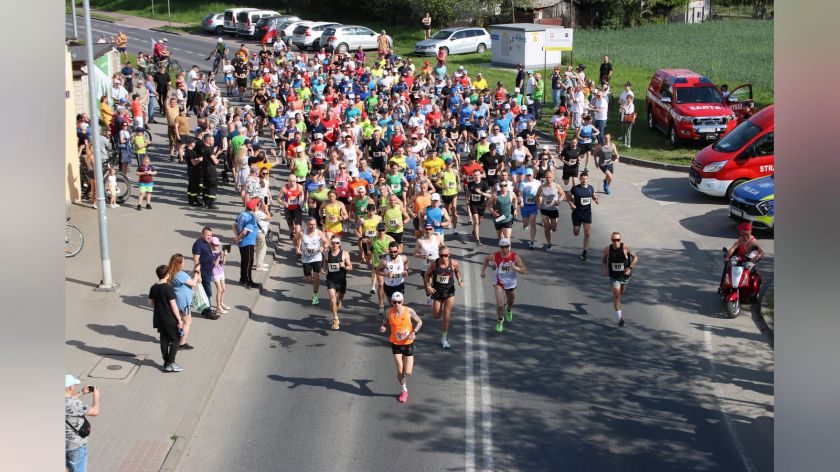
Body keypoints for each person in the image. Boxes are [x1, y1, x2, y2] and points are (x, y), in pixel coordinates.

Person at [379, 291, 423, 403]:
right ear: (391, 302)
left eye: (399, 302)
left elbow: (419, 322)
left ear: (402, 301)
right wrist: (383, 327)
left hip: (408, 343)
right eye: (394, 302)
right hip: (395, 343)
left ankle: (408, 360)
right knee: (399, 368)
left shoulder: (409, 311)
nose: (397, 304)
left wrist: (414, 332)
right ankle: (404, 390)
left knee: (408, 372)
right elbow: (385, 321)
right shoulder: (388, 312)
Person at [481, 238, 527, 333]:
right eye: (502, 247)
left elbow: (524, 270)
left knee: (511, 301)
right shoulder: (495, 255)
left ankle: (509, 309)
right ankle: (500, 319)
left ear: (509, 246)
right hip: (499, 282)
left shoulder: (515, 257)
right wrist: (483, 271)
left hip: (511, 283)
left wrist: (516, 268)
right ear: (500, 247)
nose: (504, 249)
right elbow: (486, 259)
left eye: (506, 246)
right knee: (500, 304)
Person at [423, 245, 463, 349]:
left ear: (449, 255)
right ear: (439, 255)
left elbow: (457, 271)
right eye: (441, 255)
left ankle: (444, 339)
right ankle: (431, 300)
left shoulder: (453, 263)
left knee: (446, 316)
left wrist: (459, 280)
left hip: (449, 291)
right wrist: (428, 286)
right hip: (437, 292)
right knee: (437, 315)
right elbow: (427, 275)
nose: (444, 257)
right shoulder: (434, 264)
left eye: (446, 255)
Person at [148, 264, 184, 371]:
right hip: (169, 318)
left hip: (159, 318)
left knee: (164, 339)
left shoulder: (153, 287)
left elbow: (150, 303)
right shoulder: (168, 288)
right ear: (167, 275)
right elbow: (174, 306)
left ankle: (166, 362)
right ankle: (171, 363)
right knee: (175, 339)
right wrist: (179, 319)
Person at [66, 374, 101, 472]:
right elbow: (95, 412)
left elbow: (68, 399)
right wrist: (96, 397)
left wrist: (81, 392)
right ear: (70, 387)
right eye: (74, 385)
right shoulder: (75, 404)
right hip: (75, 446)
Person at [602, 232, 638, 327]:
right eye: (614, 240)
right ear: (611, 240)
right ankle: (619, 318)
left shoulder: (625, 248)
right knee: (617, 296)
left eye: (618, 240)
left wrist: (629, 268)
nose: (616, 242)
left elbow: (635, 258)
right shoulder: (607, 249)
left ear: (620, 240)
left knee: (620, 295)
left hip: (625, 276)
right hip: (613, 276)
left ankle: (618, 306)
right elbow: (604, 258)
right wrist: (604, 267)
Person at [167, 253, 201, 350]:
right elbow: (193, 283)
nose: (184, 263)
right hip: (183, 302)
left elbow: (185, 278)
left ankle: (175, 339)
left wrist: (193, 271)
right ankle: (181, 343)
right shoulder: (180, 274)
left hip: (176, 300)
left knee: (179, 321)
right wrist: (197, 272)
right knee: (187, 321)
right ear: (179, 263)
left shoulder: (171, 272)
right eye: (183, 261)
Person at [720, 221, 766, 291]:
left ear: (745, 231)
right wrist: (727, 258)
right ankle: (727, 285)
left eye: (740, 229)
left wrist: (757, 257)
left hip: (748, 261)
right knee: (729, 266)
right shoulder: (741, 238)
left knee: (746, 270)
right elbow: (733, 248)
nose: (739, 231)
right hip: (739, 258)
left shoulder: (753, 242)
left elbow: (762, 252)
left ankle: (744, 288)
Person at [567, 170, 599, 261]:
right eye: (582, 179)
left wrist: (595, 199)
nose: (584, 180)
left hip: (587, 213)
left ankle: (585, 252)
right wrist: (570, 203)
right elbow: (568, 196)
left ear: (588, 179)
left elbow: (593, 195)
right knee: (576, 233)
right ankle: (578, 227)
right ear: (580, 179)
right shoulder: (575, 188)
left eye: (586, 178)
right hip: (577, 213)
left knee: (588, 233)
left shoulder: (591, 188)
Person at [296, 217, 329, 305]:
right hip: (306, 258)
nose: (313, 226)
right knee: (308, 279)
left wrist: (324, 247)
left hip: (317, 257)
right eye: (311, 224)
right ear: (307, 224)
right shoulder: (302, 233)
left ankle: (315, 295)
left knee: (316, 277)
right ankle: (309, 275)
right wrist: (297, 248)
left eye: (314, 224)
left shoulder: (319, 232)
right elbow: (295, 239)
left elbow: (327, 241)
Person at [191, 227, 220, 320]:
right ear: (202, 234)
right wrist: (198, 274)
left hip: (208, 272)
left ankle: (206, 310)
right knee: (207, 293)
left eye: (211, 235)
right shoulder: (198, 244)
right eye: (207, 235)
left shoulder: (206, 242)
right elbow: (196, 260)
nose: (209, 237)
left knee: (207, 292)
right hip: (203, 273)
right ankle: (207, 312)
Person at [324, 237, 353, 330]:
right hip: (331, 280)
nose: (335, 245)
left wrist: (344, 266)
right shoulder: (327, 254)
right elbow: (325, 264)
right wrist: (324, 269)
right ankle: (335, 319)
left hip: (341, 281)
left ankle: (339, 301)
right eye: (333, 243)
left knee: (340, 297)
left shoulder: (344, 254)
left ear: (340, 244)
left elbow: (351, 267)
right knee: (332, 297)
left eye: (337, 243)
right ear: (331, 243)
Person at [535, 170, 566, 251]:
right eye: (547, 177)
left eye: (550, 177)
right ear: (545, 177)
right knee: (546, 227)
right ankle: (549, 244)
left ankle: (552, 226)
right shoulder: (541, 187)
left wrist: (559, 201)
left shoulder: (557, 186)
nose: (548, 179)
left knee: (554, 228)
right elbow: (537, 196)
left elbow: (563, 194)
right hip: (544, 209)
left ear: (553, 177)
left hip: (554, 209)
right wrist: (538, 204)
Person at [234, 198, 260, 289]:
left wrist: (237, 237)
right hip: (248, 242)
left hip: (242, 242)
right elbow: (245, 232)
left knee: (244, 261)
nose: (258, 207)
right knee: (249, 262)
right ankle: (248, 281)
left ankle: (242, 279)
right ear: (254, 207)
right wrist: (238, 238)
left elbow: (233, 225)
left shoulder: (241, 214)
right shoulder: (251, 218)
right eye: (258, 205)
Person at [376, 241, 410, 314]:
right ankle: (392, 315)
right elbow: (377, 271)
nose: (393, 254)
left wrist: (406, 270)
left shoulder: (403, 258)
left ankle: (399, 317)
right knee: (392, 304)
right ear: (389, 250)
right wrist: (386, 274)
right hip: (388, 286)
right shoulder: (384, 261)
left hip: (399, 284)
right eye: (391, 252)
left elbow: (407, 262)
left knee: (398, 303)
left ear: (398, 250)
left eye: (395, 252)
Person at [466, 168, 492, 245]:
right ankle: (477, 239)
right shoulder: (470, 183)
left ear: (480, 175)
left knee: (479, 221)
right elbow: (468, 192)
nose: (476, 177)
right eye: (475, 175)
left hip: (482, 204)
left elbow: (489, 196)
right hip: (473, 204)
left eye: (478, 175)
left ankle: (474, 229)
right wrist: (467, 198)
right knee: (476, 221)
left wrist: (481, 192)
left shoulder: (484, 184)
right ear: (473, 176)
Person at [519, 168, 542, 249]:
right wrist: (521, 201)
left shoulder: (538, 182)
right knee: (526, 223)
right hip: (525, 206)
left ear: (533, 175)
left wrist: (539, 203)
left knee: (532, 223)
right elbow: (521, 194)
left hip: (533, 206)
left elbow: (540, 193)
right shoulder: (523, 183)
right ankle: (525, 225)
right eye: (527, 175)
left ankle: (532, 242)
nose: (529, 177)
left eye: (530, 175)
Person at [210, 237, 231, 314]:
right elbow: (215, 264)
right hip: (215, 273)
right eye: (215, 245)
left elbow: (223, 263)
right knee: (219, 290)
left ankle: (221, 303)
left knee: (223, 289)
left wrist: (224, 256)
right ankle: (218, 307)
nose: (217, 246)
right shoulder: (210, 253)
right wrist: (219, 255)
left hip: (221, 272)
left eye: (218, 245)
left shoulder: (219, 251)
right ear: (211, 244)